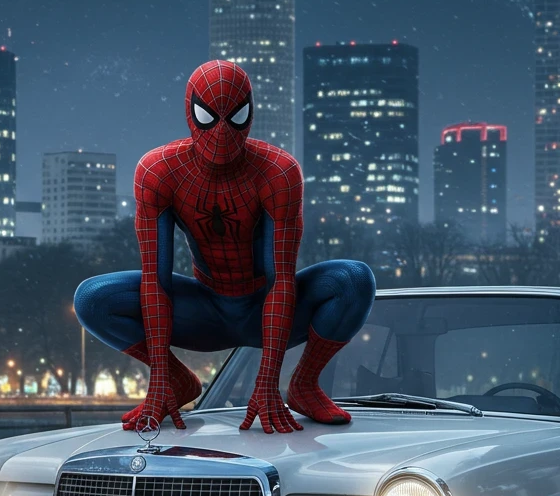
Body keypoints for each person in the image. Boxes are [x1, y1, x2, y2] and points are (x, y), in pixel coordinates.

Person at [74, 59, 376, 433]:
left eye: (235, 117)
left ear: (250, 114)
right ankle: (176, 378)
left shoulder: (278, 172)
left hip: (264, 302)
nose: (221, 132)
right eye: (208, 117)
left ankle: (303, 384)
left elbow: (281, 279)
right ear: (190, 112)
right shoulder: (159, 171)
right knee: (92, 298)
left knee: (353, 279)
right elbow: (156, 280)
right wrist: (158, 385)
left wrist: (268, 382)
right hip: (205, 307)